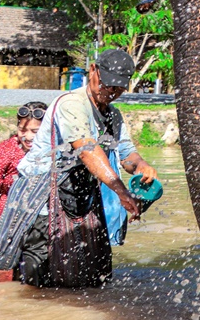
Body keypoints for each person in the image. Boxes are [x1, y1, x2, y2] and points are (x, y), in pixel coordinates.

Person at [10, 48, 156, 287]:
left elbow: (127, 154)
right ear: (93, 71)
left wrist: (142, 165)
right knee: (39, 274)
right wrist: (120, 191)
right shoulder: (71, 104)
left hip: (79, 195)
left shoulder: (112, 115)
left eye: (118, 87)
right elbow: (87, 150)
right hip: (41, 198)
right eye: (108, 84)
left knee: (95, 271)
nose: (111, 92)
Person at [0, 101, 46, 226]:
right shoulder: (7, 150)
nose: (28, 137)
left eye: (35, 131)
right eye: (22, 130)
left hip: (38, 217)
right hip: (5, 217)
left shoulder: (52, 148)